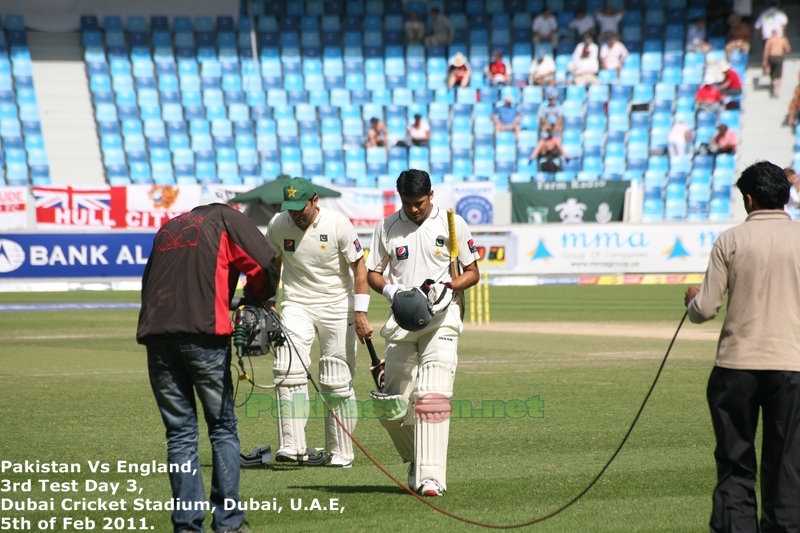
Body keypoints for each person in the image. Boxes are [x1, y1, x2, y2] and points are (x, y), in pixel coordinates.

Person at [137, 203, 279, 533]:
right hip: (203, 333)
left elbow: (149, 283)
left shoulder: (169, 225)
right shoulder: (225, 218)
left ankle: (187, 527)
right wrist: (258, 296)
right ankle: (228, 523)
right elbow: (263, 262)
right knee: (222, 428)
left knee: (180, 435)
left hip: (157, 336)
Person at [684, 160, 800, 533]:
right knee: (787, 466)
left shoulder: (731, 239)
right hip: (791, 366)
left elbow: (705, 309)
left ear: (749, 200)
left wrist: (691, 299)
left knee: (735, 464)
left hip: (736, 367)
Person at [366, 169, 480, 497]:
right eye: (407, 203)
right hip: (401, 320)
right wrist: (389, 292)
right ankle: (418, 457)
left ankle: (431, 477)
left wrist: (449, 285)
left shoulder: (452, 223)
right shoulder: (387, 226)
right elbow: (373, 272)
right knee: (391, 407)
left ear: (431, 195)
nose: (413, 209)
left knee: (432, 396)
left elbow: (472, 272)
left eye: (418, 202)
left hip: (442, 316)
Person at [265, 177, 373, 469]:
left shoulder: (338, 224)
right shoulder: (278, 224)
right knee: (286, 367)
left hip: (338, 305)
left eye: (301, 207)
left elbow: (359, 268)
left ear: (315, 201)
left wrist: (360, 313)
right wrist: (269, 301)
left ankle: (340, 452)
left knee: (335, 379)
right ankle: (292, 445)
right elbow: (272, 263)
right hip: (297, 303)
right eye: (291, 208)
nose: (296, 214)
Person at [763, 29, 791, 98]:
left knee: (772, 72)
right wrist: (782, 50)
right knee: (779, 75)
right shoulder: (782, 40)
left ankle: (773, 83)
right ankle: (777, 91)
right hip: (779, 57)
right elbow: (788, 49)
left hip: (771, 57)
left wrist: (765, 60)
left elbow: (766, 51)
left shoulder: (769, 40)